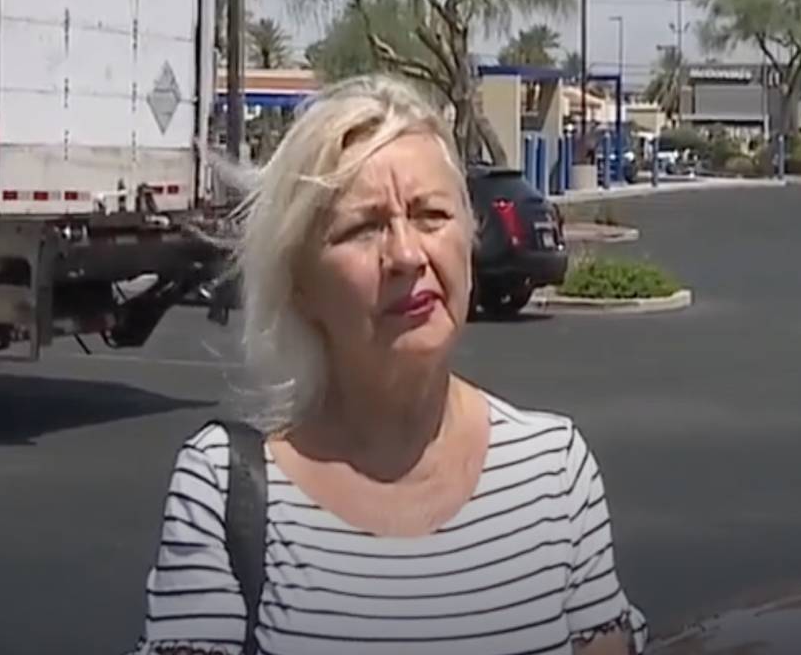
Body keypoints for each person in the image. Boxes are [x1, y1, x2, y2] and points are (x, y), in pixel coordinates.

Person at [129, 75, 648, 655]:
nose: (406, 254)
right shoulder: (225, 492)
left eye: (430, 215)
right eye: (364, 227)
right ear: (300, 285)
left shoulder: (554, 471)